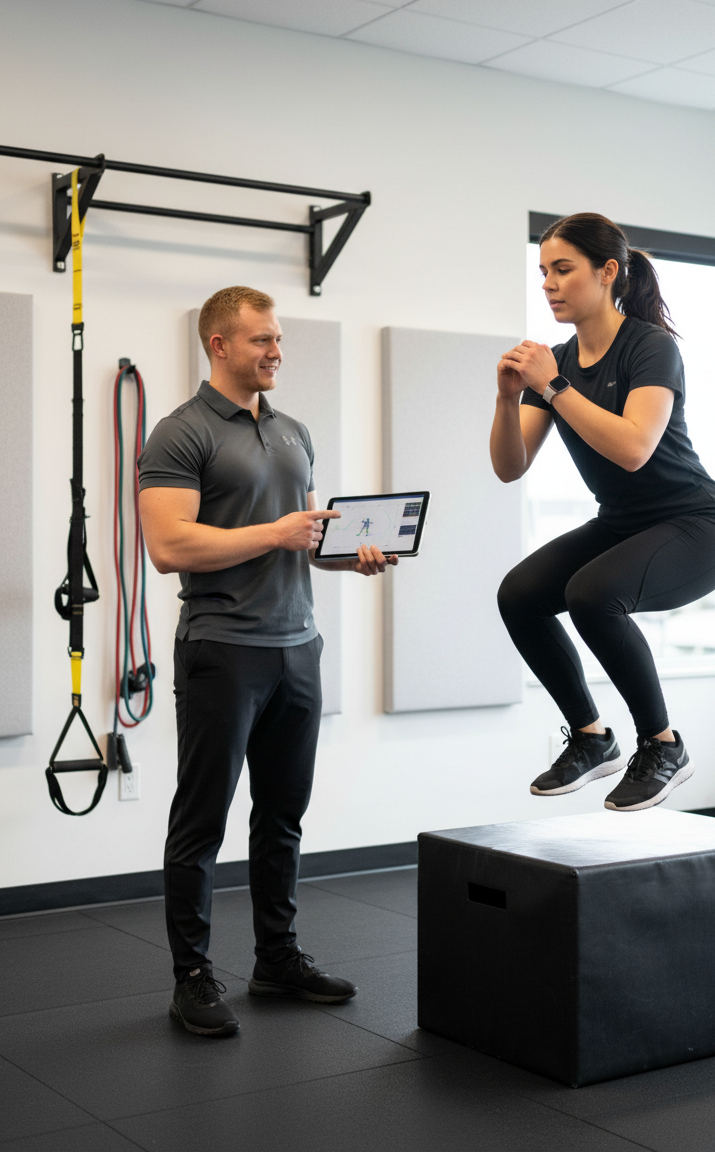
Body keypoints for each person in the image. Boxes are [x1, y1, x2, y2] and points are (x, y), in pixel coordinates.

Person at [139, 286, 397, 1037]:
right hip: (222, 648)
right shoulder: (179, 434)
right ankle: (192, 977)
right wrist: (276, 532)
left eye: (277, 338)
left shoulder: (292, 430)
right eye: (261, 341)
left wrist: (355, 556)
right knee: (202, 822)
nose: (277, 351)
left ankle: (276, 959)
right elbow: (168, 547)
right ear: (219, 344)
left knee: (282, 818)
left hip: (298, 648)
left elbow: (307, 540)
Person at [491, 213, 715, 813]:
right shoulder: (556, 360)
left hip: (696, 524)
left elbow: (633, 448)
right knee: (518, 594)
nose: (549, 283)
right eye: (543, 272)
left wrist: (553, 388)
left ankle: (663, 745)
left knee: (591, 593)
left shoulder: (650, 348)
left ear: (607, 273)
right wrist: (507, 397)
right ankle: (591, 737)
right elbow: (509, 465)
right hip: (623, 521)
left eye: (563, 269)